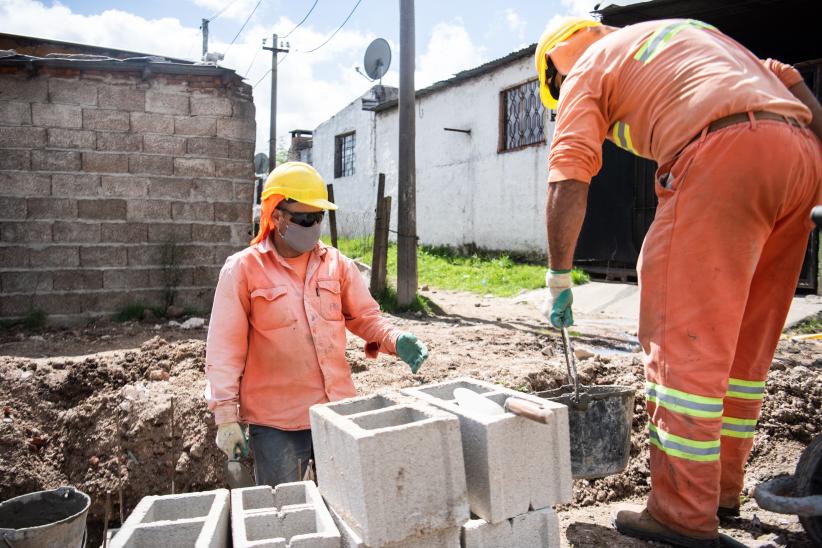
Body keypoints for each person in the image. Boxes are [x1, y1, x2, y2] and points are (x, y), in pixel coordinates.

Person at [534, 16, 822, 548]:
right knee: (743, 348)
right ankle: (719, 494)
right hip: (802, 159)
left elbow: (569, 174)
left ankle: (682, 516)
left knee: (681, 346)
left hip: (722, 156)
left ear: (555, 65)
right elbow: (783, 75)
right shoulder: (679, 34)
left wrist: (558, 277)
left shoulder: (584, 71)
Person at [205, 161, 429, 487]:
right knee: (286, 509)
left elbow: (365, 318)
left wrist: (395, 338)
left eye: (318, 218)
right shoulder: (243, 270)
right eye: (304, 218)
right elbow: (224, 348)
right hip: (277, 424)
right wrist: (226, 415)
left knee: (347, 502)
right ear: (276, 216)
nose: (312, 226)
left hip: (337, 411)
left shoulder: (336, 264)